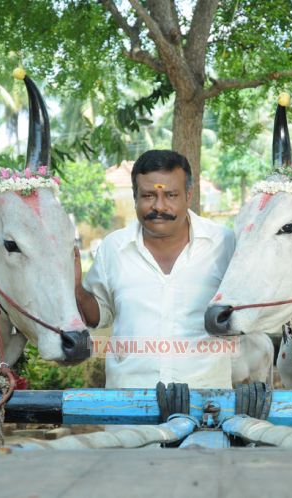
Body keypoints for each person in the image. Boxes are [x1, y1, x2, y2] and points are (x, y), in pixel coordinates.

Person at [74, 150, 235, 388]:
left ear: (188, 195)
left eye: (171, 195)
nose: (159, 206)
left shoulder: (223, 244)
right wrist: (76, 288)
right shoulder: (113, 248)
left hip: (206, 402)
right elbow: (99, 316)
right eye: (148, 195)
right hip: (129, 402)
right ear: (135, 196)